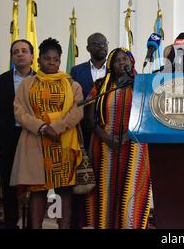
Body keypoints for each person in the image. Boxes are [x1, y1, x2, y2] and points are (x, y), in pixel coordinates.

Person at [10, 37, 83, 229]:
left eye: (55, 59)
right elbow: (19, 111)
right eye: (47, 58)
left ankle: (63, 226)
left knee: (63, 190)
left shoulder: (72, 84)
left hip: (63, 143)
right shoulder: (27, 84)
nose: (51, 62)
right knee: (38, 190)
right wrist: (42, 127)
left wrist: (56, 128)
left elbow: (78, 111)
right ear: (39, 60)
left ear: (60, 61)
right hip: (36, 142)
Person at [85, 48, 151, 229]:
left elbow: (148, 114)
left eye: (125, 59)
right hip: (103, 147)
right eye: (117, 60)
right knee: (105, 194)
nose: (122, 63)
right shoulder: (100, 86)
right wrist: (107, 138)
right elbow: (91, 118)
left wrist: (125, 136)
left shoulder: (142, 84)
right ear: (111, 66)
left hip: (135, 147)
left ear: (132, 62)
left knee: (130, 193)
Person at [0, 39, 34, 228]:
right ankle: (11, 220)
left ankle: (33, 220)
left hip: (33, 137)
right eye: (15, 51)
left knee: (34, 181)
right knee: (8, 182)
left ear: (32, 56)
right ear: (11, 56)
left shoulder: (41, 80)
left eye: (24, 50)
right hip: (9, 138)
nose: (20, 54)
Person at [69, 32, 108, 228]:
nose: (101, 45)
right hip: (83, 132)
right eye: (96, 43)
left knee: (105, 178)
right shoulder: (77, 71)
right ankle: (80, 221)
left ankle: (103, 219)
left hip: (109, 133)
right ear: (87, 48)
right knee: (83, 178)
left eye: (103, 42)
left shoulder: (116, 68)